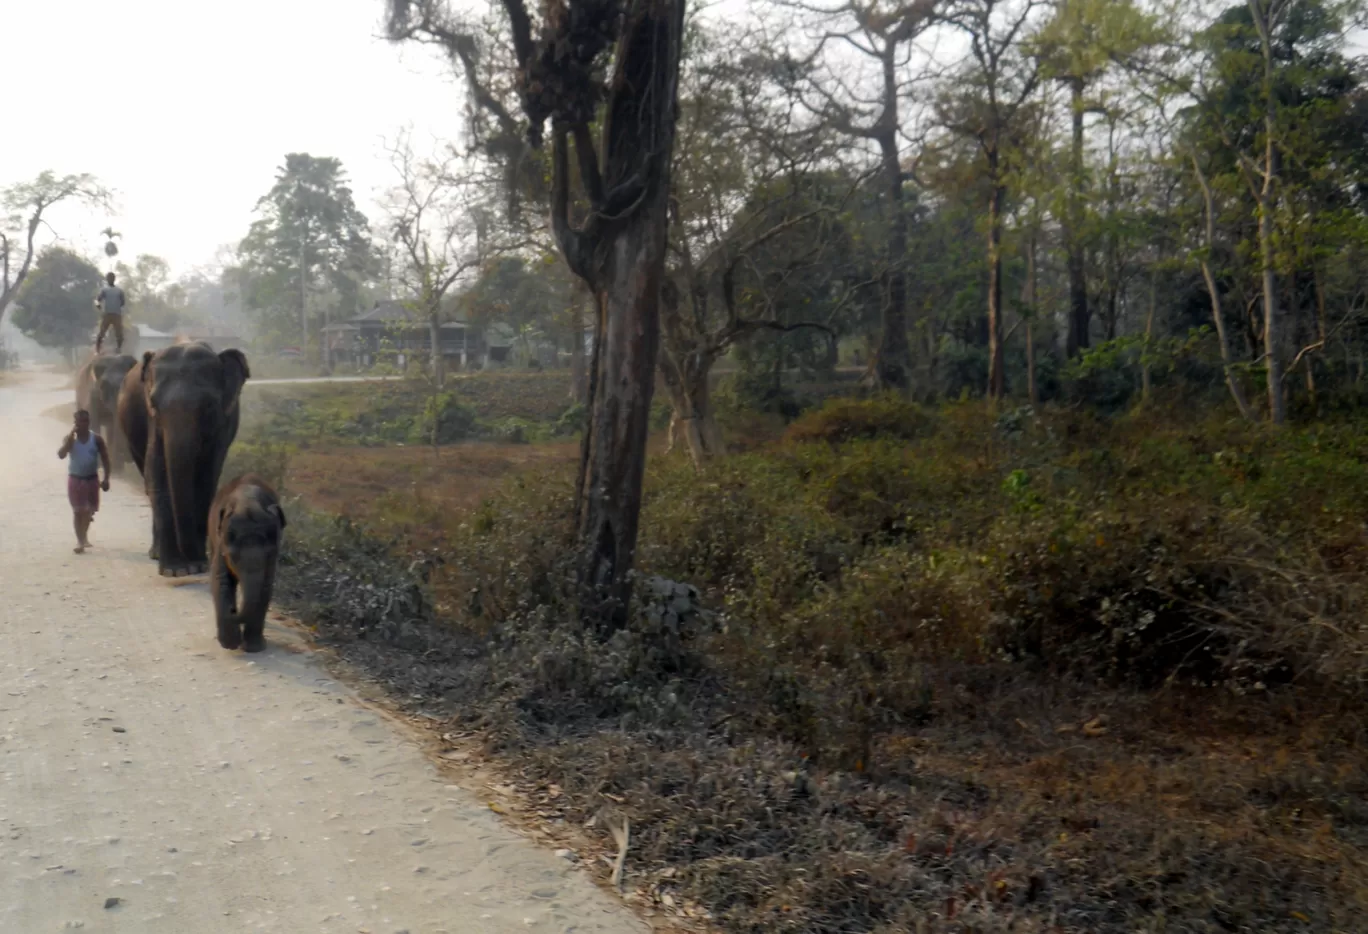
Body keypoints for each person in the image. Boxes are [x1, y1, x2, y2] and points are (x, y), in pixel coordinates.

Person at [58, 409, 112, 554]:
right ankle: (80, 541)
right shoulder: (70, 440)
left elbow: (106, 459)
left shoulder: (97, 439)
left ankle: (84, 535)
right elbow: (61, 455)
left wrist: (106, 478)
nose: (83, 424)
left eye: (86, 421)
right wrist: (69, 439)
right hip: (75, 479)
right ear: (75, 423)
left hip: (91, 479)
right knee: (77, 512)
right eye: (80, 422)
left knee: (88, 512)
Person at [94, 272, 127, 353]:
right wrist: (98, 305)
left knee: (119, 333)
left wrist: (117, 306)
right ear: (107, 279)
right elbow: (97, 299)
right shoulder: (104, 290)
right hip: (107, 314)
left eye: (112, 278)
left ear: (114, 279)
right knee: (102, 332)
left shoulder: (119, 290)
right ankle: (97, 350)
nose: (110, 279)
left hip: (116, 314)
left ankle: (119, 349)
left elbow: (123, 302)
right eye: (109, 278)